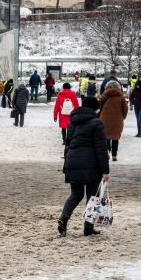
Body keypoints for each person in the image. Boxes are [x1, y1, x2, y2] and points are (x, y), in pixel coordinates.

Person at [58, 96, 110, 237]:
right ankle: (88, 228)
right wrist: (105, 171)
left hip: (72, 162)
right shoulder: (97, 123)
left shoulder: (72, 122)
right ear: (94, 109)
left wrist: (66, 165)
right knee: (93, 196)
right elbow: (101, 149)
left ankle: (63, 218)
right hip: (91, 164)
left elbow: (68, 144)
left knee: (76, 194)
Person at [98, 80, 129, 161]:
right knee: (116, 137)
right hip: (118, 120)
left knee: (106, 137)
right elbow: (125, 109)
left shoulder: (104, 95)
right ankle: (114, 155)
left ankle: (107, 152)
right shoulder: (121, 97)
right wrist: (123, 117)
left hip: (104, 119)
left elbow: (98, 104)